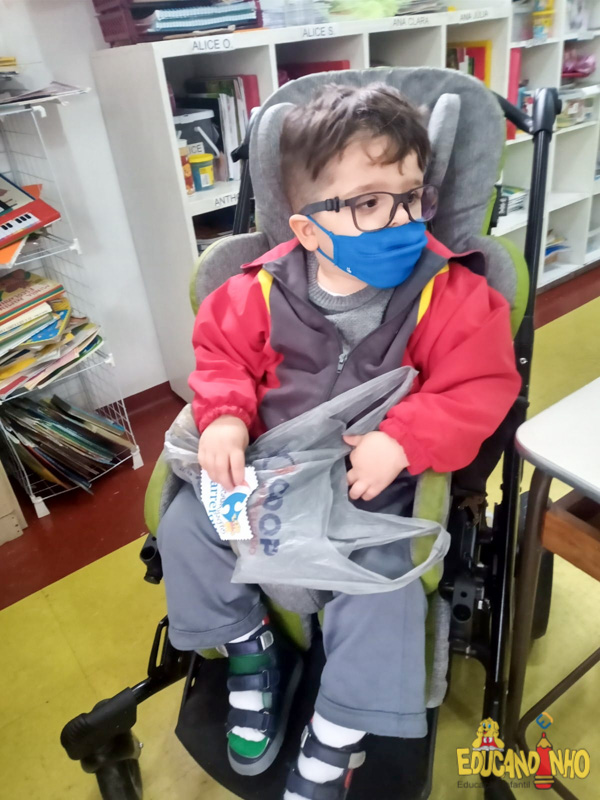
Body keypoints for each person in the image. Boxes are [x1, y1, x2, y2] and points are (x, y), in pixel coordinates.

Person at [158, 83, 521, 799]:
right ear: (307, 229)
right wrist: (226, 415)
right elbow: (221, 359)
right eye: (368, 203)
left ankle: (338, 730)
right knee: (186, 526)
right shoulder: (258, 290)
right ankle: (248, 646)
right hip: (274, 466)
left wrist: (405, 439)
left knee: (386, 587)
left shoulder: (450, 294)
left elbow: (480, 386)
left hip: (372, 481)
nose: (401, 218)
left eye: (411, 197)